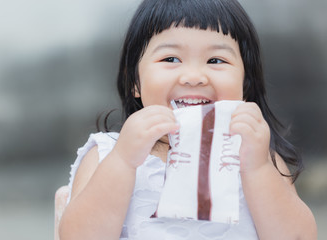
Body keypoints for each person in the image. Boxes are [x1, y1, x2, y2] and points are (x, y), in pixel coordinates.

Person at [59, 0, 317, 239]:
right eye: (171, 59)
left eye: (216, 60)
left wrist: (258, 168)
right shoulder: (108, 153)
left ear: (245, 84)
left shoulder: (257, 156)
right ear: (135, 82)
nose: (193, 76)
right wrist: (123, 161)